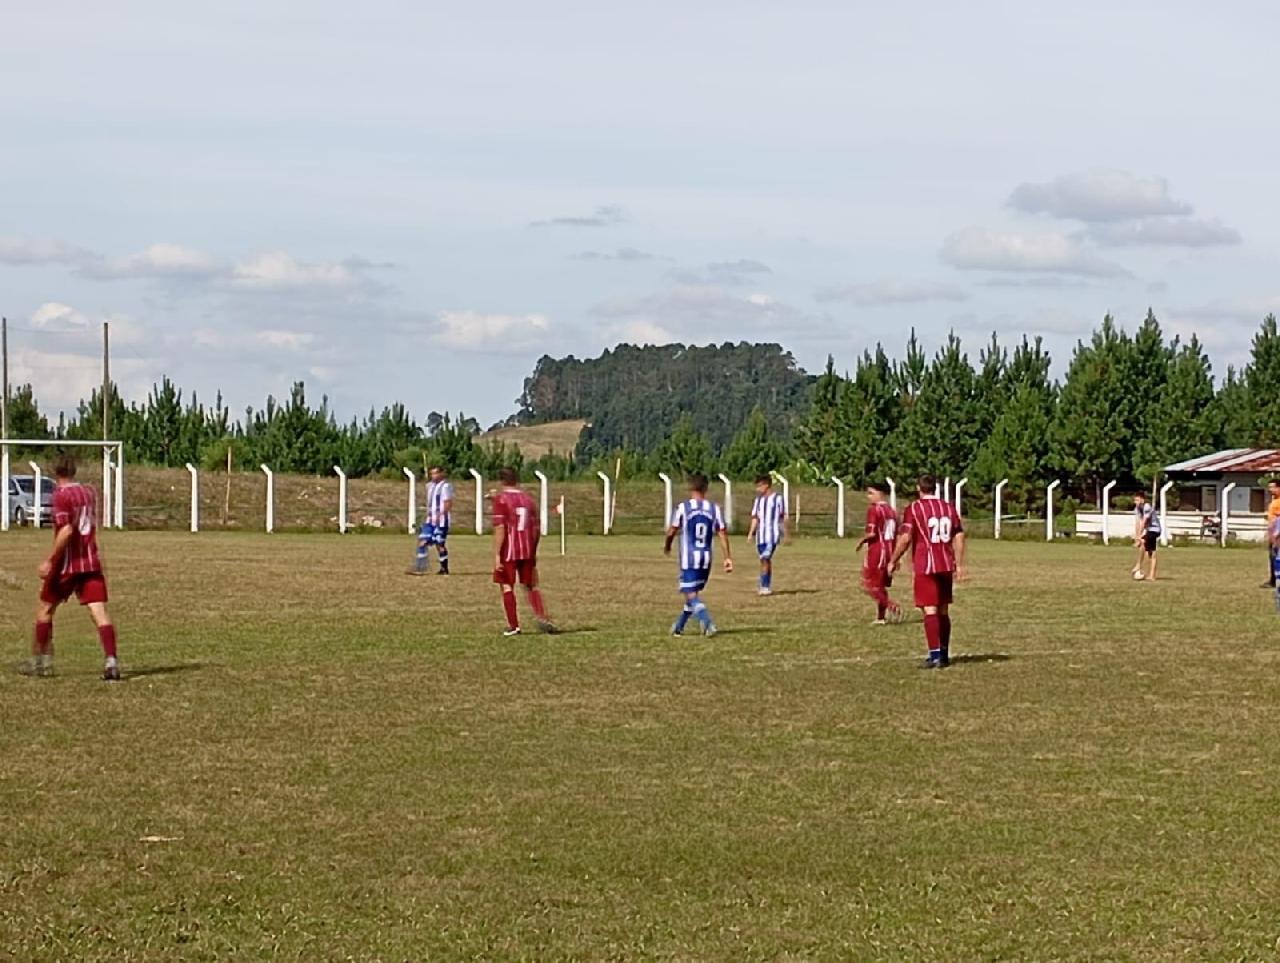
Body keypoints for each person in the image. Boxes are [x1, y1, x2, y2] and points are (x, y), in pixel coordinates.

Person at [21, 453, 121, 681]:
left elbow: (66, 531)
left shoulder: (60, 496)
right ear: (74, 470)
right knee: (100, 613)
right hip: (91, 562)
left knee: (45, 609)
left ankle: (41, 663)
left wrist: (50, 559)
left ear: (55, 473)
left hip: (67, 565)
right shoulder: (88, 492)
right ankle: (111, 661)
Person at [889, 474, 966, 669]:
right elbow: (958, 534)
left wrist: (893, 560)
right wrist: (959, 562)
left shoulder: (914, 508)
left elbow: (906, 538)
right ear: (935, 488)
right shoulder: (948, 508)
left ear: (919, 488)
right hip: (946, 564)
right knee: (943, 609)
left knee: (929, 609)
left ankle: (935, 656)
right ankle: (944, 652)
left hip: (926, 564)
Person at [665, 473, 733, 637]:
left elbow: (672, 530)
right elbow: (722, 533)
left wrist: (667, 544)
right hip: (706, 558)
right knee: (692, 593)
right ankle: (679, 626)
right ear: (706, 488)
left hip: (689, 558)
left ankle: (708, 622)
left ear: (690, 488)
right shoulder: (714, 509)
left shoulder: (684, 508)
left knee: (691, 594)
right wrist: (727, 557)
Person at [491, 467, 555, 637]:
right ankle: (542, 616)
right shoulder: (528, 500)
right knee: (531, 585)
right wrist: (533, 551)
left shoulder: (501, 499)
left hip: (509, 550)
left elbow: (500, 528)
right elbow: (536, 528)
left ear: (501, 481)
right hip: (527, 549)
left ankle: (514, 626)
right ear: (516, 480)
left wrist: (497, 554)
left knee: (506, 586)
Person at [856, 481, 902, 625]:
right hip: (889, 551)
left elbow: (872, 533)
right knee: (880, 585)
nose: (868, 497)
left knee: (867, 585)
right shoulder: (892, 511)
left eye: (871, 493)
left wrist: (861, 541)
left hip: (877, 551)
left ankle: (892, 606)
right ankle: (881, 618)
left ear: (880, 494)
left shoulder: (874, 510)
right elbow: (896, 534)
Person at [409, 466, 454, 576]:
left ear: (441, 474)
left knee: (439, 544)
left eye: (435, 473)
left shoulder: (446, 486)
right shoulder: (431, 486)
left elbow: (448, 502)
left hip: (441, 521)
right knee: (422, 541)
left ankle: (444, 568)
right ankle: (420, 567)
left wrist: (441, 514)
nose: (433, 476)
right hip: (430, 520)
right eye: (431, 474)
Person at [746, 474, 787, 596]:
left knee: (765, 558)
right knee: (764, 560)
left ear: (766, 485)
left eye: (759, 486)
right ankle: (765, 584)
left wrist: (786, 533)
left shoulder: (778, 499)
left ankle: (764, 586)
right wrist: (750, 534)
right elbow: (755, 518)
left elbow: (782, 517)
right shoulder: (758, 501)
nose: (757, 489)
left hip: (772, 535)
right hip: (761, 537)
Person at [1133, 491, 1161, 581]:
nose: (1135, 502)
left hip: (1155, 530)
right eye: (1135, 500)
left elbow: (1144, 521)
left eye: (1137, 500)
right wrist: (1136, 536)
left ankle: (1138, 565)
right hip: (1149, 531)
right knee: (1151, 553)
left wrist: (1140, 537)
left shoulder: (1147, 507)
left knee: (1143, 542)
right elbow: (1138, 523)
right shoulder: (1137, 509)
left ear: (1142, 500)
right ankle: (1152, 576)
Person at [1263, 479, 1280, 588]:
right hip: (1273, 533)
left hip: (1277, 535)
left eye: (1273, 487)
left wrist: (1276, 534)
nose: (1270, 490)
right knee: (1272, 557)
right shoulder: (1274, 501)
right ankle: (1273, 580)